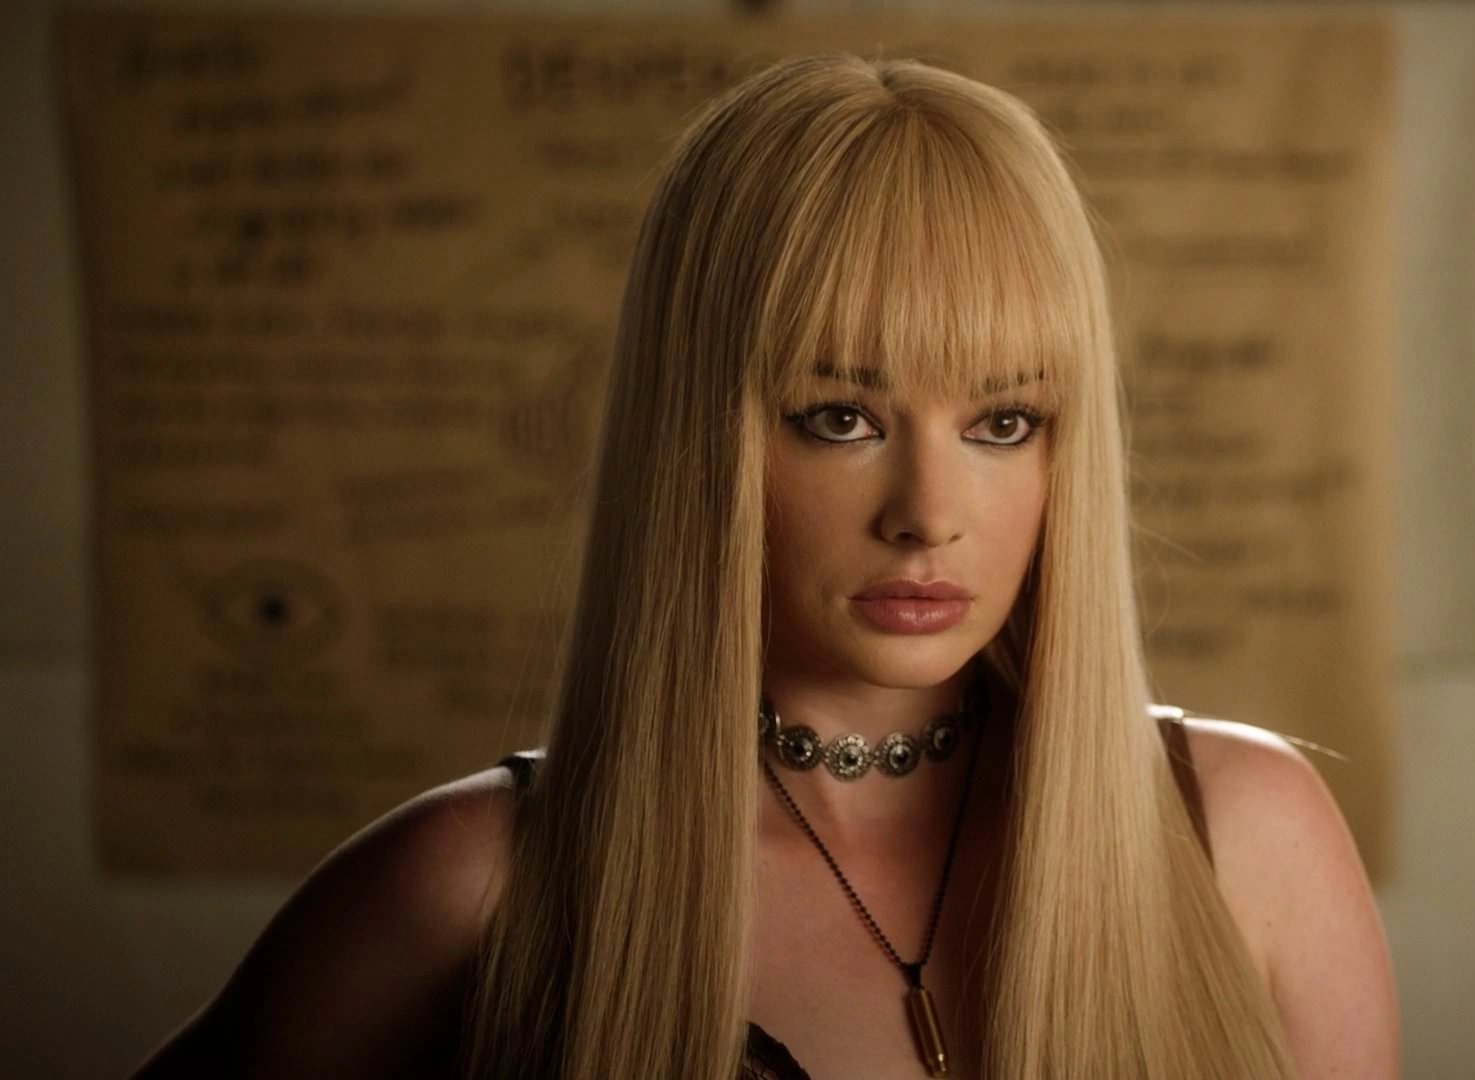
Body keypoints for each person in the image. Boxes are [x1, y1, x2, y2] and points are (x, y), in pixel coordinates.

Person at [129, 54, 1397, 1079]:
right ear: (700, 440)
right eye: (839, 418)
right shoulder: (470, 887)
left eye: (1003, 422)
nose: (928, 516)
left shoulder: (1248, 836)